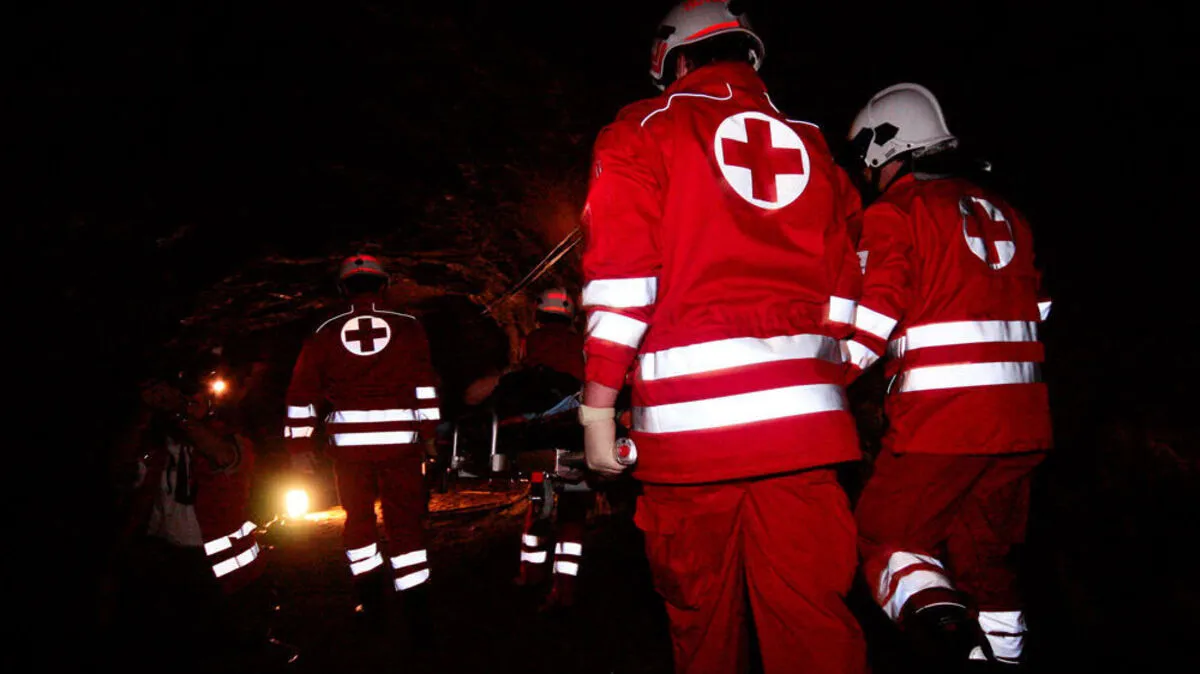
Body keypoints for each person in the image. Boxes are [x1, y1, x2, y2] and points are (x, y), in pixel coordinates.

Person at [576, 2, 867, 672]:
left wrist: (597, 408)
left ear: (677, 60)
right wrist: (826, 377)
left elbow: (623, 285)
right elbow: (850, 274)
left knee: (703, 627)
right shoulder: (814, 144)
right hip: (807, 433)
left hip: (690, 439)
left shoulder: (642, 129)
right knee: (815, 627)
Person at [841, 82, 1053, 669]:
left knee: (887, 538)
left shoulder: (896, 213)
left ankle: (951, 648)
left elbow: (872, 318)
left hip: (942, 424)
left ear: (885, 149)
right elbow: (1039, 309)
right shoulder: (1008, 212)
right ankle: (1003, 658)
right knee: (984, 560)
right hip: (1024, 424)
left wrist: (822, 381)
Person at [283, 253, 442, 641]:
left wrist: (299, 446)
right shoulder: (408, 326)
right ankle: (417, 613)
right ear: (384, 285)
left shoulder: (324, 330)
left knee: (358, 520)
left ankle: (371, 606)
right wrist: (429, 434)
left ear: (343, 289)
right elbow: (424, 384)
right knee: (404, 522)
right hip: (399, 443)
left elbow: (302, 393)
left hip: (349, 447)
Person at [106, 356, 277, 672]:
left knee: (232, 651)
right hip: (169, 560)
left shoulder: (230, 438)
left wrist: (177, 413)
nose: (187, 401)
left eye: (193, 396)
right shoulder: (158, 443)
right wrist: (143, 413)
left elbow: (221, 455)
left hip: (222, 571)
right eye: (181, 394)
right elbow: (122, 470)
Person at [510, 287, 593, 612]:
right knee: (573, 510)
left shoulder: (531, 342)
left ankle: (529, 575)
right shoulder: (581, 344)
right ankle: (564, 588)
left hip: (538, 439)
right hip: (575, 435)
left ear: (539, 314)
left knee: (537, 503)